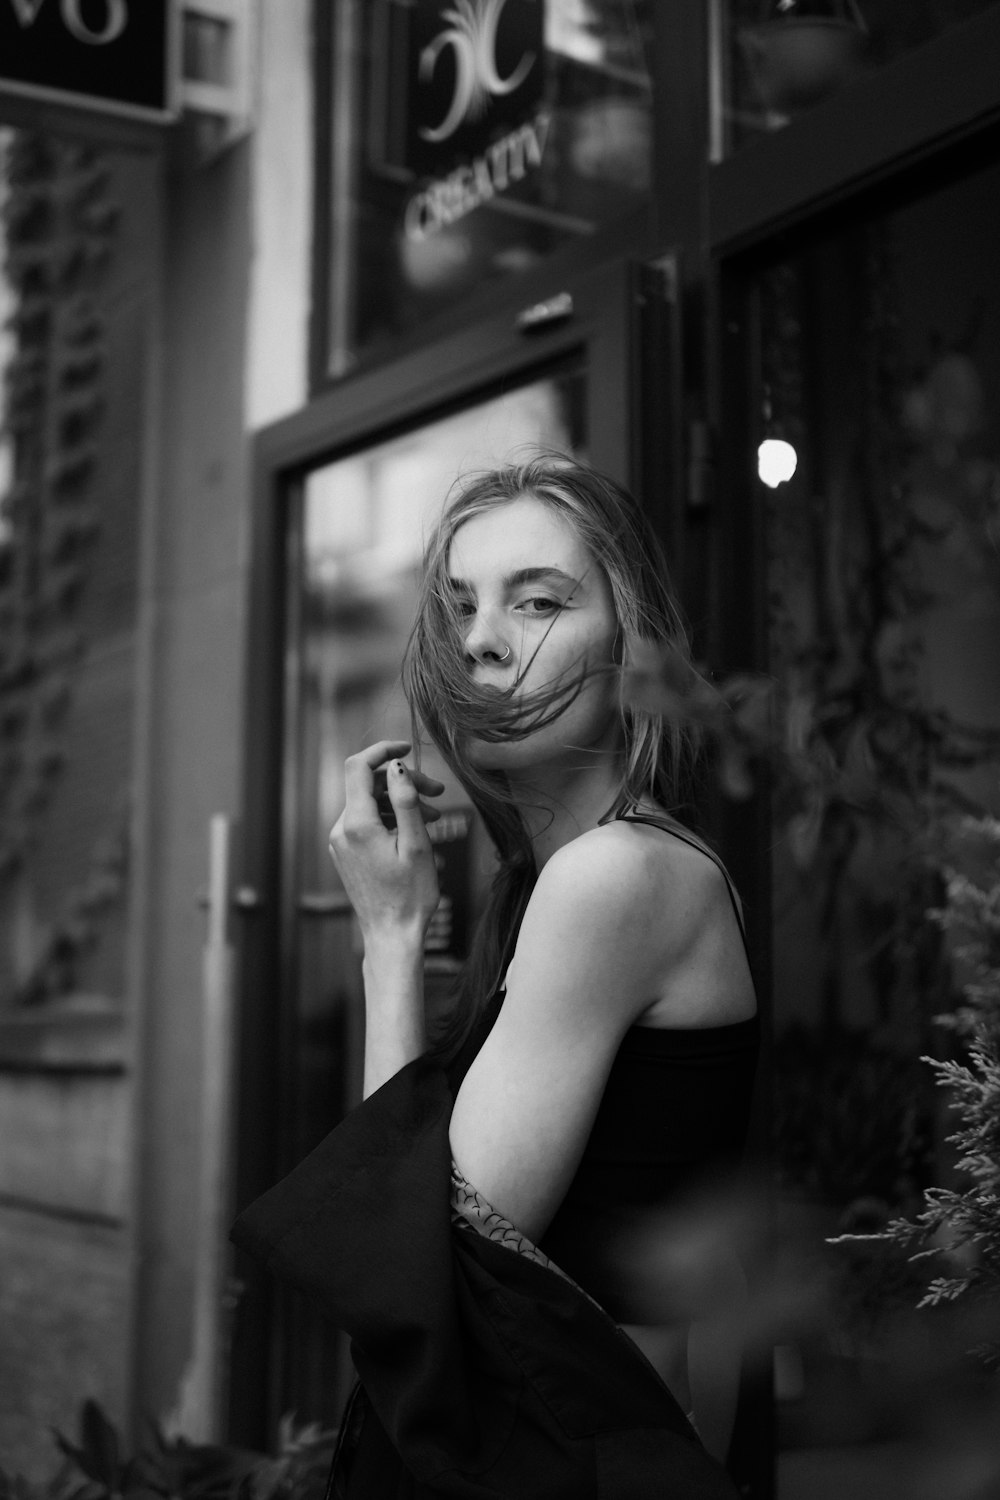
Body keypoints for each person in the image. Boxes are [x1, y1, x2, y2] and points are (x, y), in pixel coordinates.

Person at [232, 456, 758, 1498]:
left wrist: (388, 934)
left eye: (539, 599)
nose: (479, 638)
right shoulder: (564, 879)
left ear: (634, 646)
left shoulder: (612, 877)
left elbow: (415, 1263)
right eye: (460, 605)